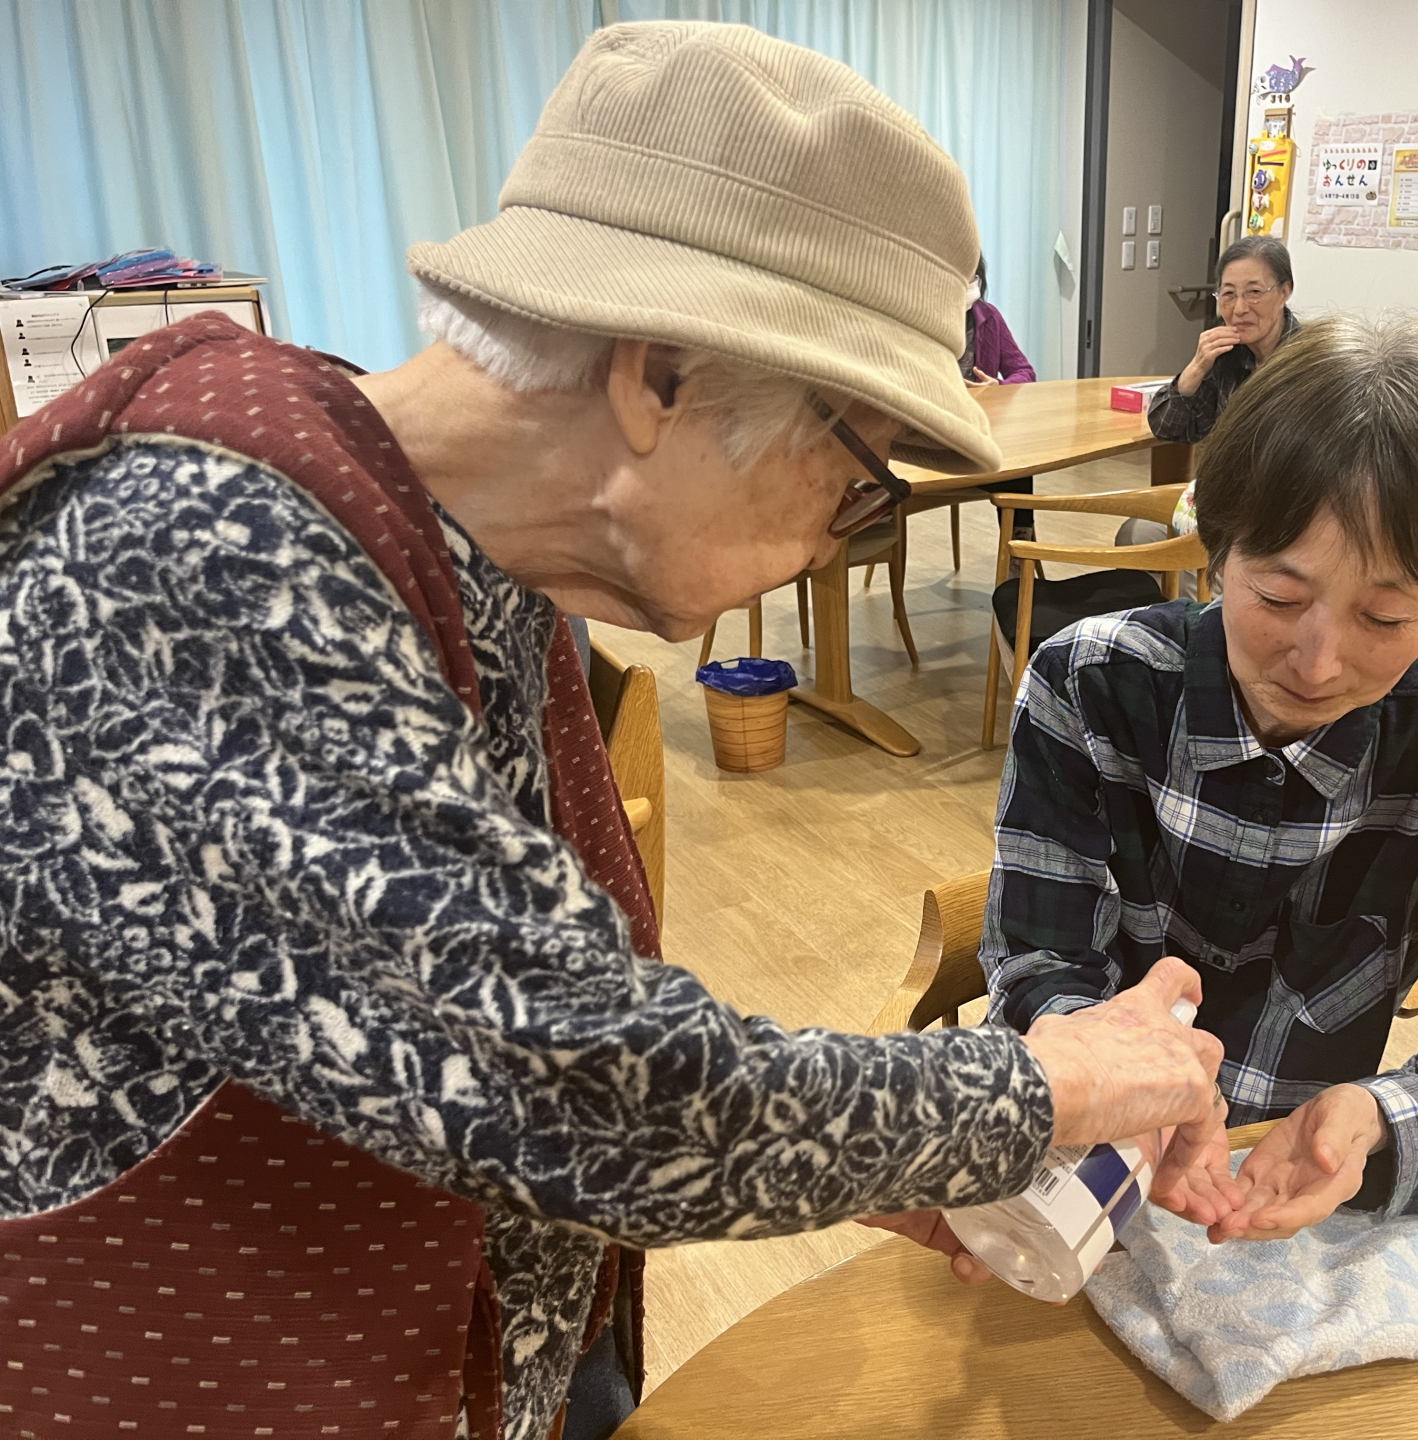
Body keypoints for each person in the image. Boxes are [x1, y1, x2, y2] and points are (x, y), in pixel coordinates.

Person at [0, 23, 1222, 1440]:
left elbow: (500, 1008)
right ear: (659, 377)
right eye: (856, 479)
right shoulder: (204, 555)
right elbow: (579, 1084)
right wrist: (1039, 1086)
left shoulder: (450, 544)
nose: (836, 541)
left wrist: (877, 1155)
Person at [981, 314, 1418, 1241]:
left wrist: (1376, 1120)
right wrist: (1124, 1085)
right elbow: (1036, 963)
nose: (1318, 663)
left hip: (1294, 1198)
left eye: (1386, 619)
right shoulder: (1093, 683)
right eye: (1278, 597)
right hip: (1088, 1165)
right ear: (1216, 547)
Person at [1119, 236, 1301, 570]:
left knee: (1198, 561)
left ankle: (1209, 597)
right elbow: (1169, 428)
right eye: (1228, 294)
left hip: (1285, 515)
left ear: (1284, 291)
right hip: (1226, 506)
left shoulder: (1308, 360)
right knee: (1136, 535)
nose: (1239, 308)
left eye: (1254, 292)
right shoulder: (1226, 355)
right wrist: (1196, 367)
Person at [963, 255, 1040, 538]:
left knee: (1019, 464)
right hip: (934, 438)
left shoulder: (989, 318)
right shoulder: (920, 321)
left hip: (981, 434)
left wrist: (998, 386)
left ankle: (1020, 551)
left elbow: (1024, 371)